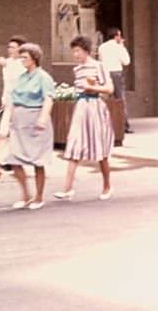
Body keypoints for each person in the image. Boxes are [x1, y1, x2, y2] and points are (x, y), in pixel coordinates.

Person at [55, 35, 114, 202]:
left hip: (95, 107)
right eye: (73, 51)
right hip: (81, 108)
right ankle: (67, 188)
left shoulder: (98, 66)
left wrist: (92, 87)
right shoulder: (77, 69)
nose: (75, 55)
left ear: (86, 51)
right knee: (74, 145)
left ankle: (107, 185)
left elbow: (109, 88)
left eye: (78, 51)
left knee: (100, 150)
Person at [1, 42, 54, 210]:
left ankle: (39, 196)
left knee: (38, 161)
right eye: (21, 57)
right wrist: (7, 121)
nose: (22, 60)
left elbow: (49, 98)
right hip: (19, 121)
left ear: (34, 59)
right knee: (14, 158)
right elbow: (12, 99)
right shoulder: (21, 77)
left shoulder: (43, 77)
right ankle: (25, 194)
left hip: (35, 118)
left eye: (25, 57)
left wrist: (43, 119)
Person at [0, 34, 27, 180]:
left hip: (21, 104)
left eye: (14, 47)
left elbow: (19, 76)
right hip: (9, 103)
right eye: (9, 47)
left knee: (16, 137)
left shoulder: (23, 63)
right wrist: (3, 100)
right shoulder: (8, 63)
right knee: (3, 135)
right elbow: (7, 85)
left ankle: (10, 163)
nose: (10, 50)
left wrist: (6, 64)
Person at [99, 27, 133, 133]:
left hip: (104, 73)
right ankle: (124, 125)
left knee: (105, 98)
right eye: (119, 35)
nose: (121, 37)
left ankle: (105, 123)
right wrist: (122, 47)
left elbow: (101, 60)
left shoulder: (102, 47)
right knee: (120, 99)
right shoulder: (118, 47)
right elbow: (126, 61)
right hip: (116, 73)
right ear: (116, 36)